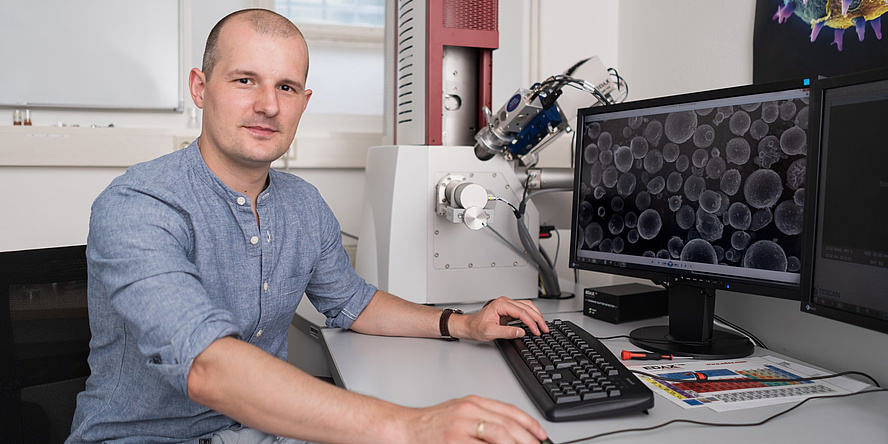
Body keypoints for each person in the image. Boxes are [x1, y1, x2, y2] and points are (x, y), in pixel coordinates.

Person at [67, 9, 550, 444]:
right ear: (199, 87)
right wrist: (410, 424)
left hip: (261, 432)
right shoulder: (138, 204)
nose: (268, 105)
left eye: (286, 87)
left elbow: (352, 303)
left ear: (304, 100)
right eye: (243, 81)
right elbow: (208, 367)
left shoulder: (303, 204)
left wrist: (462, 324)